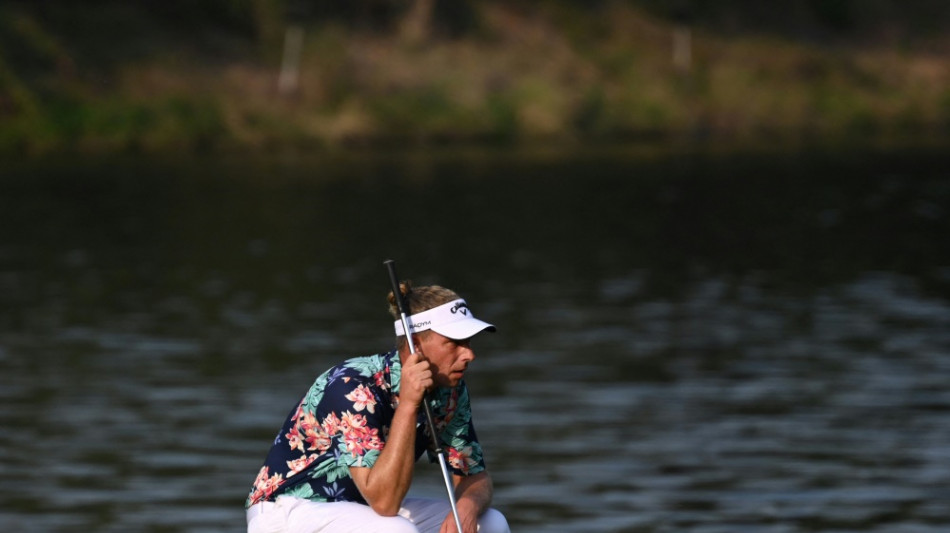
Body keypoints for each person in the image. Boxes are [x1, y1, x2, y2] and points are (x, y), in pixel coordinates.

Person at [245, 281, 510, 533]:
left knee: (489, 524)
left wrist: (467, 507)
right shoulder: (351, 385)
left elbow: (475, 476)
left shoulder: (450, 390)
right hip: (286, 510)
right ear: (415, 344)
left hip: (360, 509)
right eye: (455, 343)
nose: (469, 355)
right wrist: (408, 404)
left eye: (469, 342)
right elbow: (385, 503)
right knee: (395, 529)